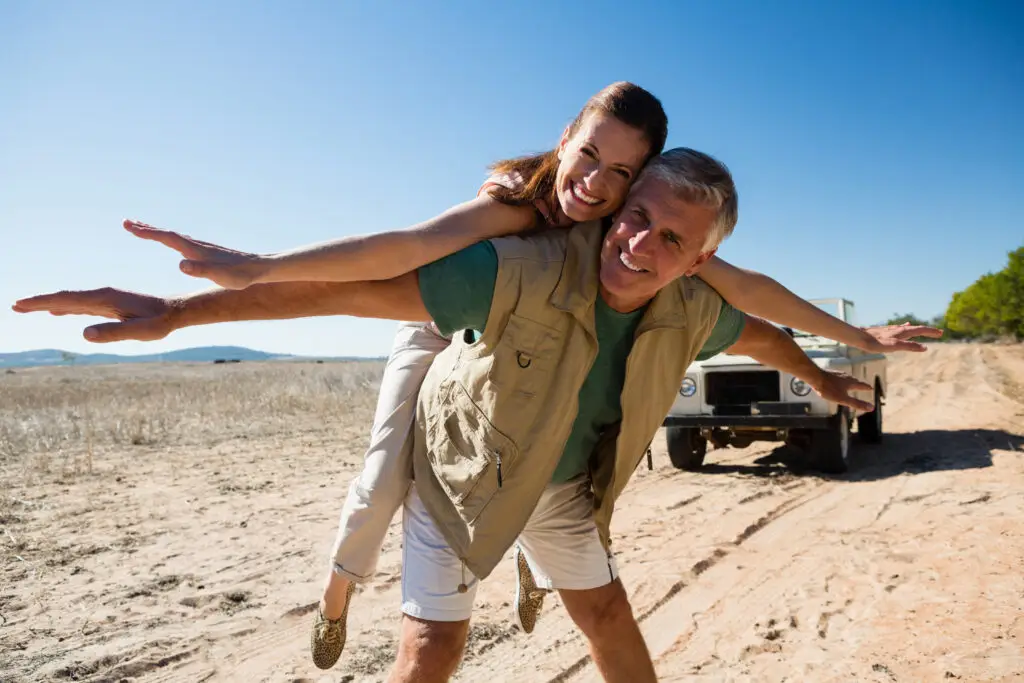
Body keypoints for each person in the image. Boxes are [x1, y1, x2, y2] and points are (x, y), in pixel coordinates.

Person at [68, 82, 938, 670]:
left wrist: (832, 368)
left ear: (701, 260)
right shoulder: (515, 243)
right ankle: (340, 592)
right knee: (424, 614)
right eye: (629, 211)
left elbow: (764, 324)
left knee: (607, 615)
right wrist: (201, 300)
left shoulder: (690, 301)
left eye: (669, 235)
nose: (634, 236)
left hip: (560, 480)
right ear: (569, 147)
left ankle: (530, 557)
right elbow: (370, 279)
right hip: (466, 452)